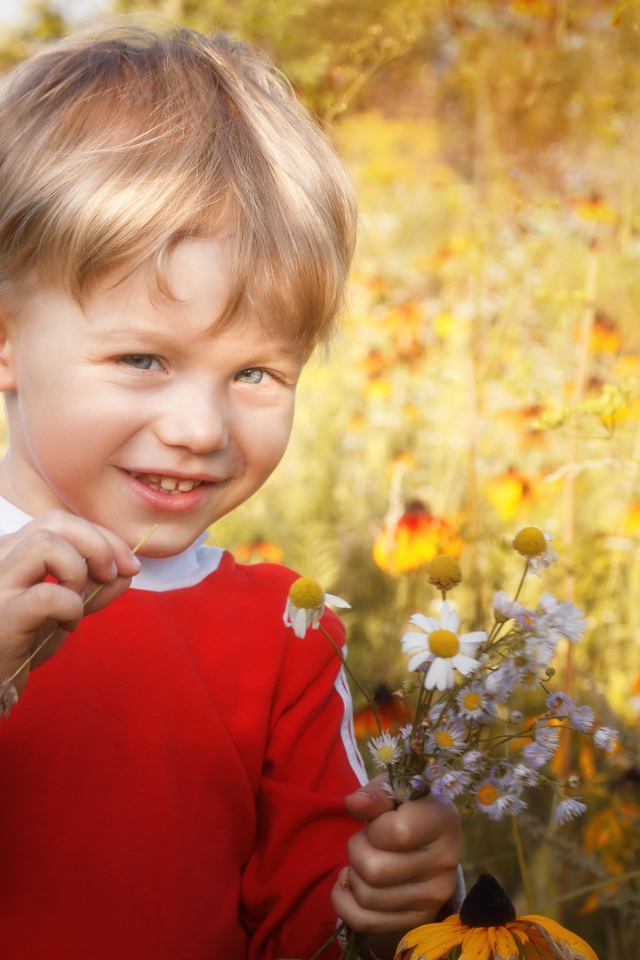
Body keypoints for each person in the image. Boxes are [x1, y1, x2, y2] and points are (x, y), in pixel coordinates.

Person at [0, 19, 462, 960]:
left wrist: (398, 900)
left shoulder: (282, 637)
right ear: (5, 338)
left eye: (257, 373)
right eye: (142, 358)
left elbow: (308, 929)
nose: (201, 430)